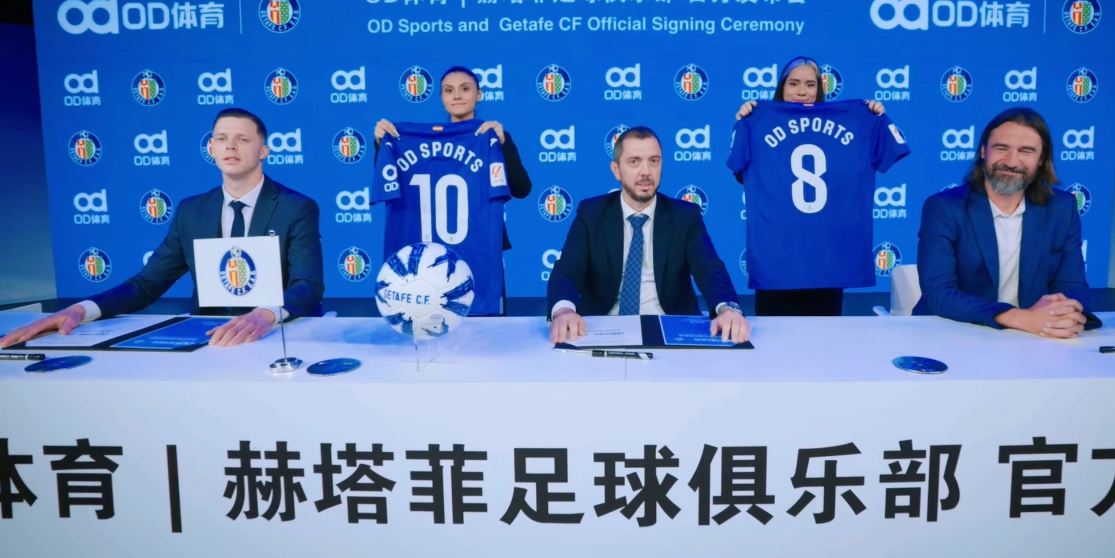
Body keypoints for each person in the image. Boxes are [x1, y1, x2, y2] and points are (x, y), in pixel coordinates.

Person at [0, 108, 325, 349]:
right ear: (211, 149)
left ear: (263, 150)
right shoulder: (191, 211)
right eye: (221, 139)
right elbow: (146, 284)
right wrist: (80, 310)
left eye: (243, 139)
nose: (231, 146)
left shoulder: (297, 207)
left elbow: (307, 285)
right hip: (210, 339)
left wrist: (265, 314)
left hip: (278, 336)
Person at [547, 126, 749, 344]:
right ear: (616, 170)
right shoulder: (591, 213)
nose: (646, 172)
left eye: (654, 161)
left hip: (673, 328)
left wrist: (728, 309)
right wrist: (564, 311)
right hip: (603, 328)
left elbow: (709, 269)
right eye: (634, 162)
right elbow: (566, 271)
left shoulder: (685, 216)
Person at [913, 107, 1101, 337]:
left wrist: (1066, 317)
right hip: (954, 332)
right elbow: (939, 294)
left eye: (1026, 151)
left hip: (1028, 336)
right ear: (984, 151)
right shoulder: (944, 207)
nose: (1012, 162)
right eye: (1002, 148)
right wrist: (1019, 318)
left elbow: (1071, 284)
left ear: (1041, 159)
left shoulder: (1062, 208)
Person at [734, 56, 890, 316]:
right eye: (794, 83)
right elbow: (742, 174)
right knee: (773, 339)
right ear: (782, 87)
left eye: (810, 84)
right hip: (778, 260)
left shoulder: (856, 120)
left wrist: (874, 117)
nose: (802, 91)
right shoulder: (756, 121)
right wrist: (745, 122)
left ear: (819, 89)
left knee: (825, 338)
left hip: (828, 258)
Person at [373, 66, 532, 255]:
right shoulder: (419, 141)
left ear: (479, 94)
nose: (457, 96)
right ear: (442, 97)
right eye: (449, 90)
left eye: (465, 88)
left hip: (482, 246)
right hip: (428, 245)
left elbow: (522, 189)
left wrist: (501, 146)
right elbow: (388, 182)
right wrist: (383, 144)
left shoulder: (495, 139)